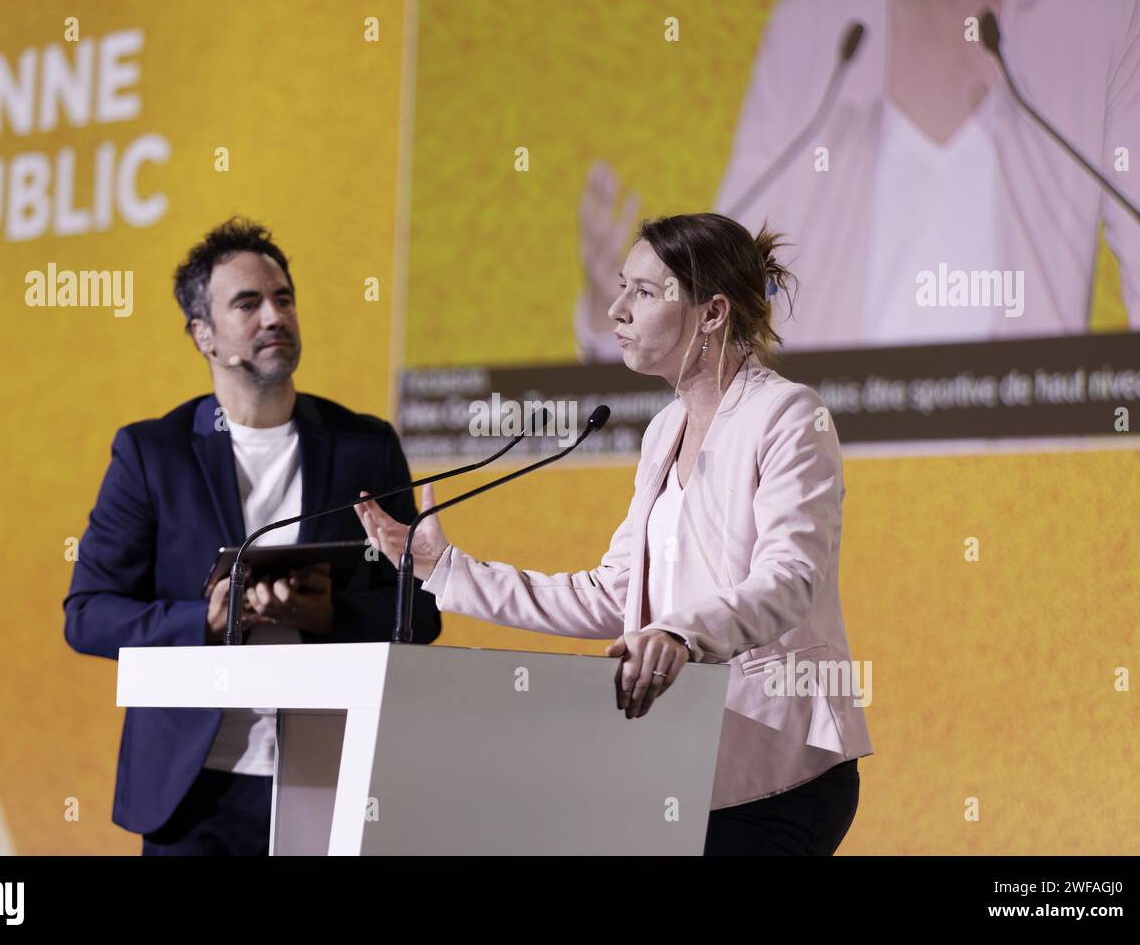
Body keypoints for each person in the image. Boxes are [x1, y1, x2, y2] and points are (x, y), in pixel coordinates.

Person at [359, 212, 873, 855]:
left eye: (644, 292)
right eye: (620, 287)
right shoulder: (663, 432)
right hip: (681, 760)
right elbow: (615, 595)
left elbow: (790, 578)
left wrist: (681, 634)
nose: (615, 310)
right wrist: (446, 569)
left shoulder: (788, 415)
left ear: (712, 313)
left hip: (778, 762)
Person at [64, 217, 440, 855]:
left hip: (328, 778)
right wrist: (205, 622)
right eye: (248, 303)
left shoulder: (364, 446)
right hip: (192, 790)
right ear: (203, 335)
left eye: (284, 298)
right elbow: (89, 616)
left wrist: (331, 614)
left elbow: (421, 614)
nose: (274, 316)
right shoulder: (152, 454)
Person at [576, 0, 1140, 358]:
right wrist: (636, 307)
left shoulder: (1109, 14)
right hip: (832, 476)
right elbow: (730, 294)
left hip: (1030, 482)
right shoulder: (812, 32)